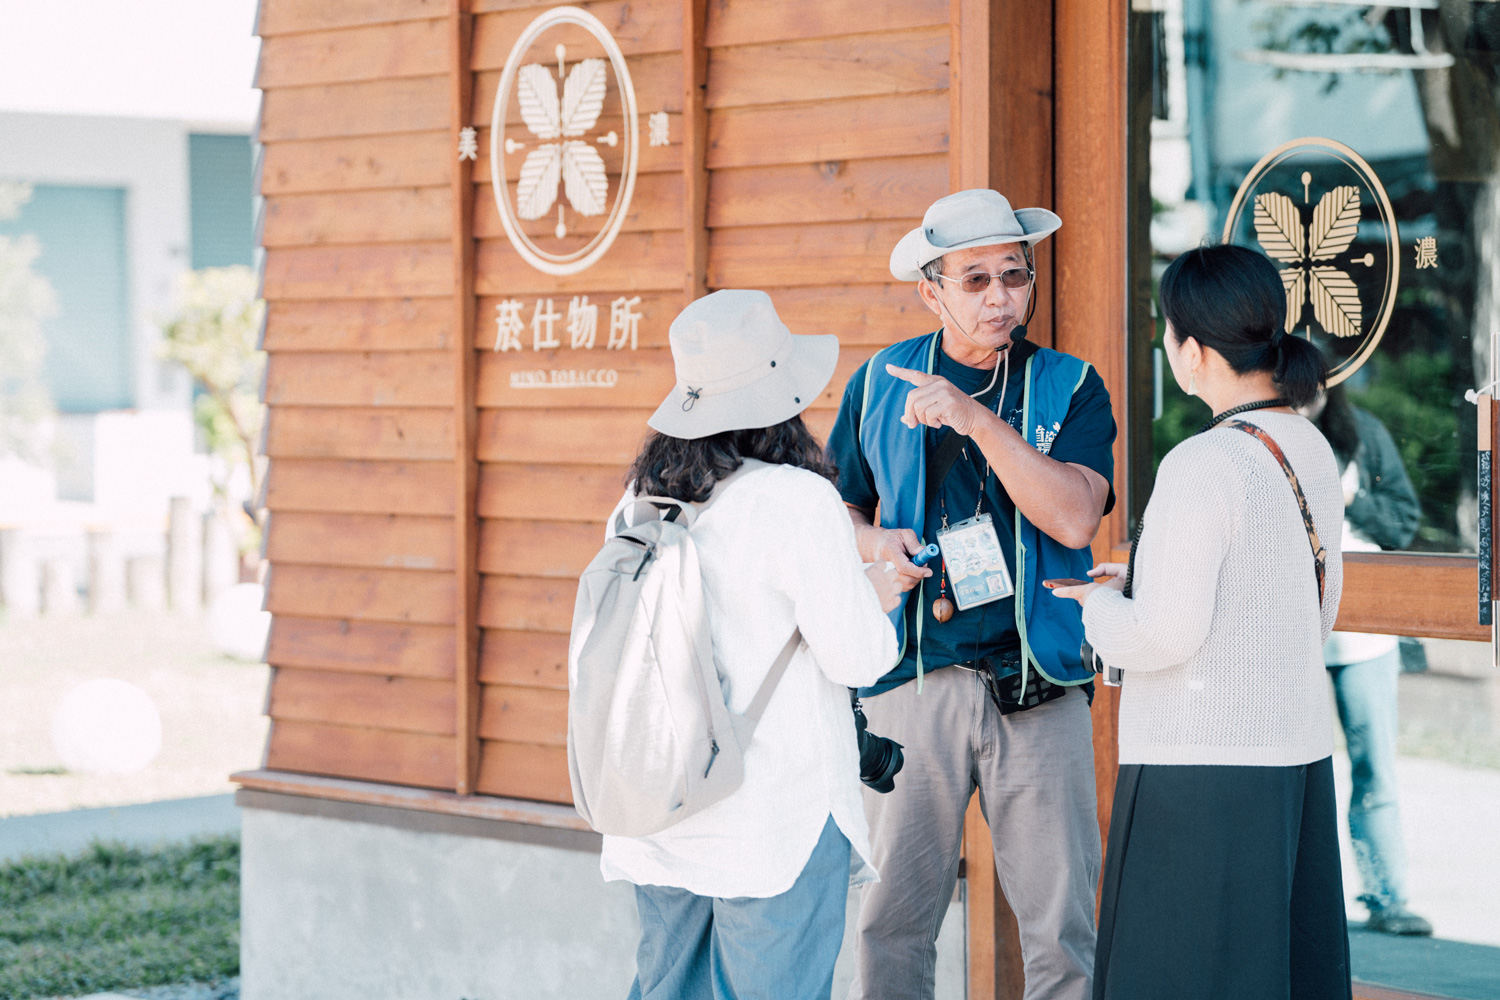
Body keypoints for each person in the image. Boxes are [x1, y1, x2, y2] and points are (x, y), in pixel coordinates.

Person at [827, 189, 1117, 1000]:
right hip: (912, 680)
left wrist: (975, 420)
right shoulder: (879, 384)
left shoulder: (1071, 386)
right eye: (976, 280)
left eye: (1014, 278)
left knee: (1061, 926)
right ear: (933, 290)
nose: (1000, 298)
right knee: (892, 920)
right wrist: (875, 544)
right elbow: (838, 507)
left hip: (1041, 682)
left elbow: (1073, 511)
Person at [1052, 243, 1350, 999]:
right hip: (1294, 756)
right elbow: (1303, 593)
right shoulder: (1307, 442)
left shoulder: (1204, 461)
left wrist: (1095, 606)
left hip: (1199, 771)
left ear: (1192, 350)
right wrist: (1143, 584)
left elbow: (1162, 636)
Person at [600, 289, 901, 1000]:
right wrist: (878, 595)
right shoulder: (796, 499)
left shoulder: (643, 500)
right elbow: (860, 657)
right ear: (782, 393)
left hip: (661, 806)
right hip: (773, 818)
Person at [1307, 385, 1432, 936]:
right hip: (1295, 633)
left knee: (1373, 767)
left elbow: (1403, 522)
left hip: (1366, 638)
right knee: (1297, 770)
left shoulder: (1364, 433)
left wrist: (1352, 497)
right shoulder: (1266, 434)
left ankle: (1388, 898)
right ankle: (1301, 900)